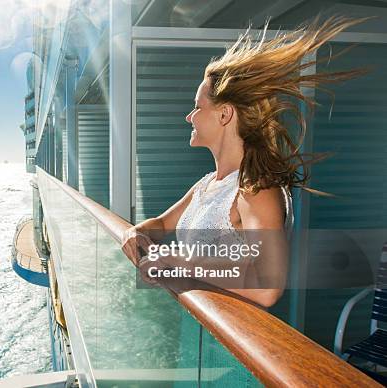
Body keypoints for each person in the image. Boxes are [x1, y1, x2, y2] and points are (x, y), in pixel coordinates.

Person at [121, 15, 369, 307]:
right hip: (198, 328)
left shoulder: (257, 189)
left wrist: (179, 261)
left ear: (224, 115)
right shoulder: (208, 184)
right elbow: (162, 224)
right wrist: (135, 232)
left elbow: (268, 286)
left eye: (197, 107)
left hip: (229, 341)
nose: (189, 116)